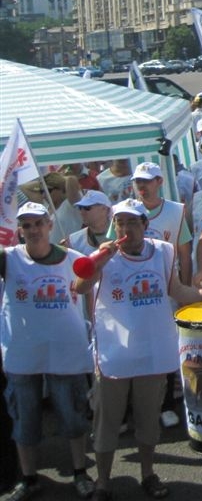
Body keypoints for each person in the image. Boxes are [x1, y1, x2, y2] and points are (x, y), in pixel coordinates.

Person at [73, 199, 202, 501]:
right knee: (107, 422)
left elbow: (177, 291)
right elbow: (79, 286)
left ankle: (147, 473)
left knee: (148, 420)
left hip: (152, 350)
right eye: (120, 223)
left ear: (144, 225)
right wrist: (100, 261)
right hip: (115, 354)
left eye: (132, 222)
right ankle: (103, 481)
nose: (126, 229)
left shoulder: (163, 252)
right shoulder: (103, 256)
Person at [2, 203, 95, 501]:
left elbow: (91, 290)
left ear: (49, 224)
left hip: (65, 351)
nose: (32, 230)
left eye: (38, 223)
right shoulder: (7, 259)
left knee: (73, 415)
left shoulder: (74, 259)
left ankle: (81, 472)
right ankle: (28, 479)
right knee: (24, 418)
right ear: (19, 230)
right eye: (26, 225)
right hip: (22, 353)